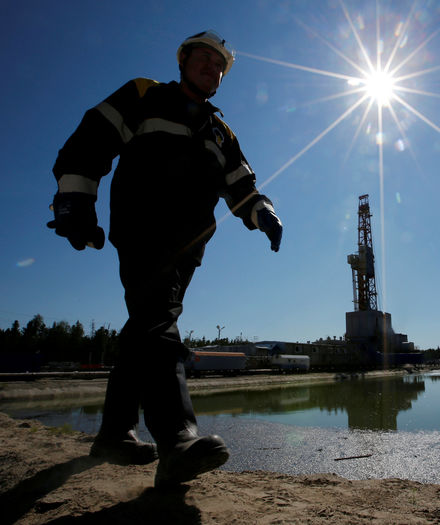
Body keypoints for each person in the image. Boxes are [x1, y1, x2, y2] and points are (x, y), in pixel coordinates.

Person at [47, 30, 283, 488]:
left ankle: (114, 434)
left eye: (219, 66)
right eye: (203, 59)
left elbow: (242, 186)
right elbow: (90, 141)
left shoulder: (221, 131)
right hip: (141, 228)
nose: (211, 68)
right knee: (158, 320)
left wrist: (263, 213)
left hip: (189, 247)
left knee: (145, 328)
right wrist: (74, 201)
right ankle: (177, 439)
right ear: (183, 62)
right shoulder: (144, 95)